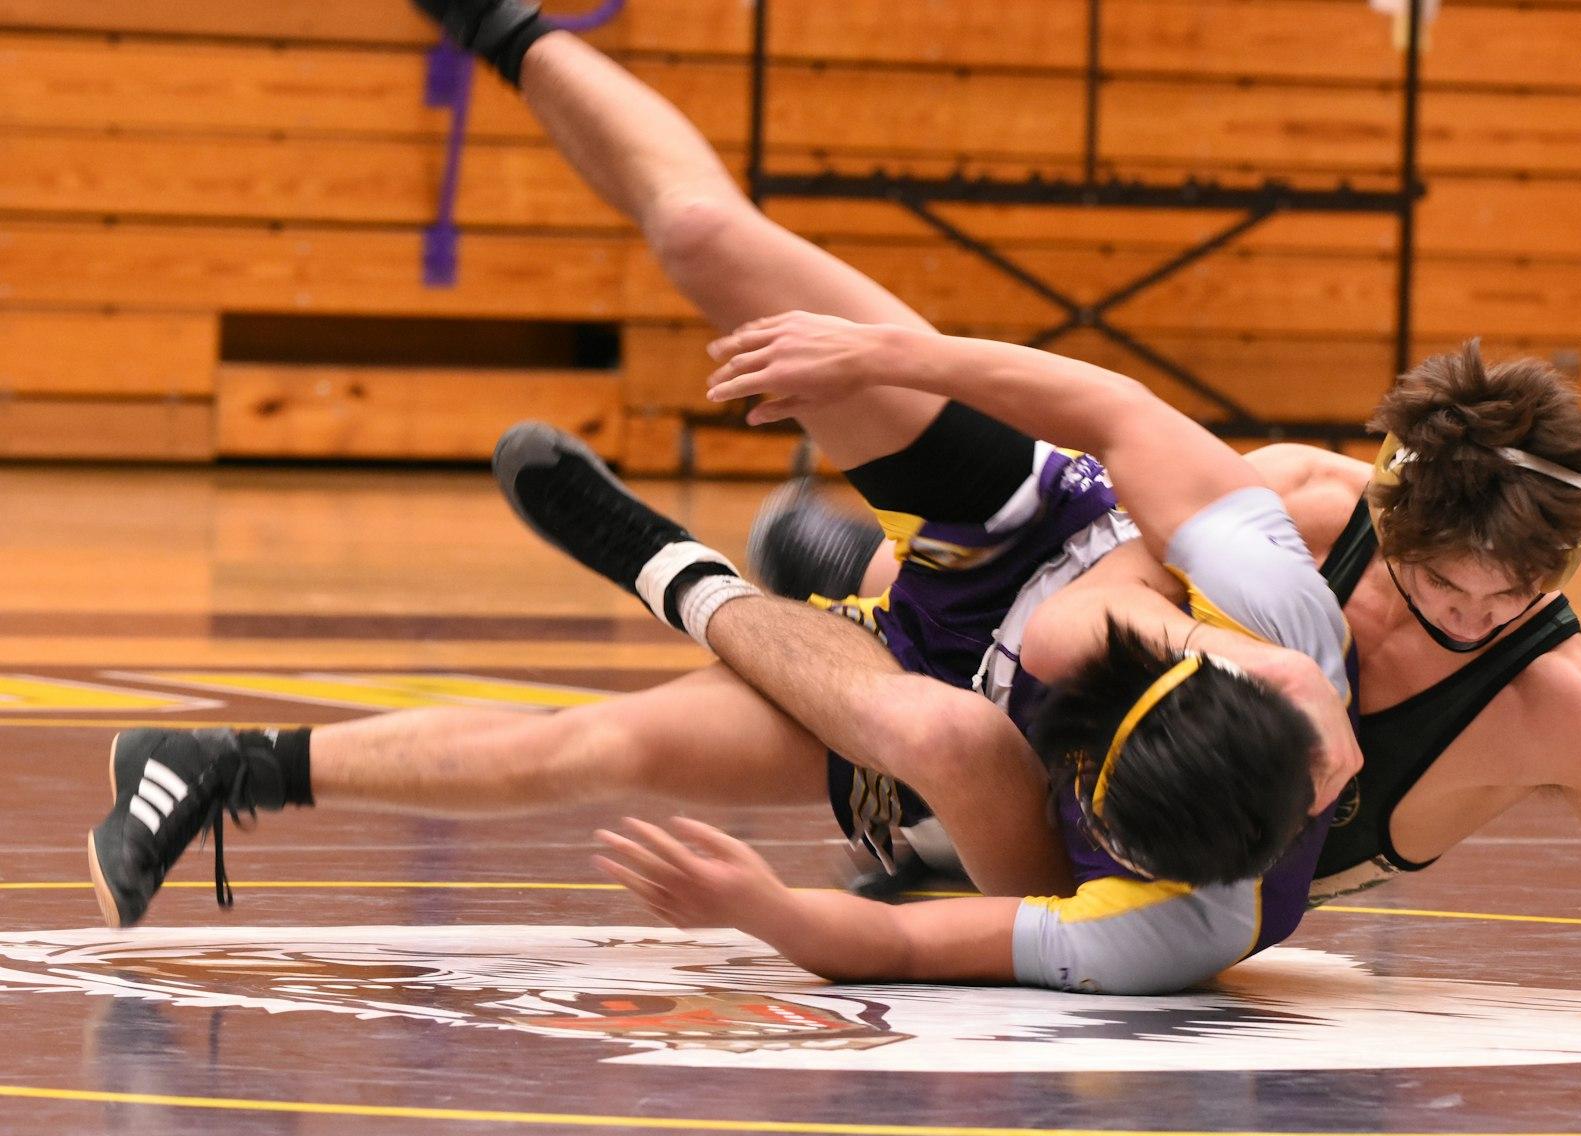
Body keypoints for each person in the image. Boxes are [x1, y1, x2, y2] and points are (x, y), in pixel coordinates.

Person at [82, 1, 1360, 995]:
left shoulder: (1164, 925)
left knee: (633, 748)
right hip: (1032, 533)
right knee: (705, 241)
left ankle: (221, 761)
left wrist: (763, 907)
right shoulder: (1282, 636)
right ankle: (506, 28)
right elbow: (1125, 418)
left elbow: (911, 951)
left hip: (942, 723)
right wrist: (889, 358)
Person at [736, 334, 1581, 1025]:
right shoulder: (1304, 505)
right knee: (976, 641)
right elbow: (1078, 610)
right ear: (1388, 514)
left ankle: (836, 590)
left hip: (1186, 858)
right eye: (1440, 583)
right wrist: (1257, 660)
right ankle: (843, 567)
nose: (1470, 616)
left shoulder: (1569, 710)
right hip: (1078, 704)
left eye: (1511, 595)